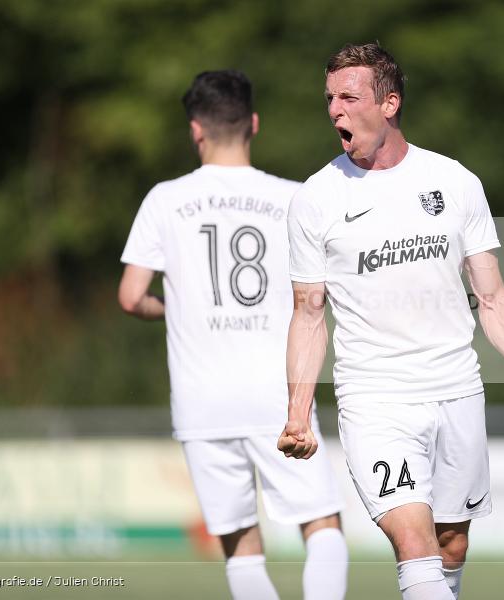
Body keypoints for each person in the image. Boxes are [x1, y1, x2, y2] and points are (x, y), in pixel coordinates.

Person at [278, 44, 504, 600]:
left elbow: (493, 294)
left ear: (390, 102)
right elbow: (309, 313)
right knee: (415, 540)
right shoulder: (315, 198)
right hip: (375, 398)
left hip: (456, 390)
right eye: (329, 98)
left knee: (451, 544)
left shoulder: (455, 182)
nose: (335, 109)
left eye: (349, 97)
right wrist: (298, 413)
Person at [119, 69, 348, 600]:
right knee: (322, 527)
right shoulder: (297, 197)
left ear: (196, 130)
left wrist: (174, 307)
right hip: (279, 392)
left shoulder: (165, 199)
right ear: (254, 123)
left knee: (240, 548)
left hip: (202, 403)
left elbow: (131, 296)